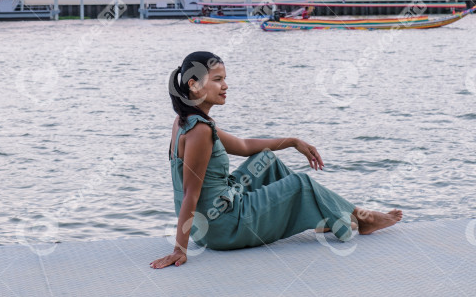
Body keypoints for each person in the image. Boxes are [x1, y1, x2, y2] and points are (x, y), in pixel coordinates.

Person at [150, 52, 403, 269]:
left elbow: (244, 146)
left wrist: (293, 141)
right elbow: (189, 194)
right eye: (217, 80)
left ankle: (326, 215)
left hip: (214, 218)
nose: (226, 85)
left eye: (225, 78)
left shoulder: (188, 122)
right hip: (222, 225)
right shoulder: (200, 132)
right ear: (194, 85)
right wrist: (180, 249)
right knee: (301, 183)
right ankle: (364, 218)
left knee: (267, 160)